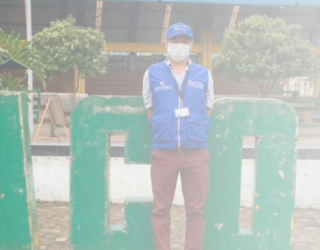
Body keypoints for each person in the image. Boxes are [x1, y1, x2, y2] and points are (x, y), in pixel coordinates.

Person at [142, 23, 214, 250]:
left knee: (196, 210)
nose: (180, 45)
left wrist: (192, 129)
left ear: (191, 45)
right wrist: (166, 130)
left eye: (184, 41)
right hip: (164, 153)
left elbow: (208, 107)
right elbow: (150, 108)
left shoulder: (204, 74)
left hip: (196, 152)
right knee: (161, 209)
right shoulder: (152, 73)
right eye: (175, 41)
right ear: (166, 44)